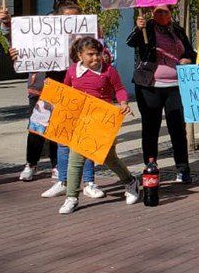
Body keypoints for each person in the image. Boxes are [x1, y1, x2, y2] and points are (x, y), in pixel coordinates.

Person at [1, 0, 96, 195]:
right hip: (41, 86)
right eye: (68, 18)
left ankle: (57, 166)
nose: (72, 21)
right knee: (38, 127)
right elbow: (19, 41)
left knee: (60, 130)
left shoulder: (84, 37)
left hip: (70, 87)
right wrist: (8, 29)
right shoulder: (44, 31)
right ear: (57, 18)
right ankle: (31, 163)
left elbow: (97, 55)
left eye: (76, 18)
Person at [58, 37, 140, 214]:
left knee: (109, 158)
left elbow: (119, 89)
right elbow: (66, 91)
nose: (95, 58)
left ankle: (131, 182)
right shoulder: (72, 71)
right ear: (80, 55)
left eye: (98, 54)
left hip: (103, 121)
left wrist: (123, 103)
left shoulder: (109, 70)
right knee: (75, 159)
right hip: (82, 121)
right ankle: (71, 197)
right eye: (90, 54)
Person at [127, 5, 197, 183]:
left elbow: (190, 52)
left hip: (175, 86)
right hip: (150, 86)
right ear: (152, 13)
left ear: (170, 13)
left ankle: (182, 168)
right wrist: (138, 28)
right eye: (158, 11)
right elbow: (131, 42)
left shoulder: (178, 30)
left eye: (165, 11)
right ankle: (151, 166)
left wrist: (188, 59)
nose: (162, 14)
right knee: (150, 128)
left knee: (177, 128)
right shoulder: (146, 28)